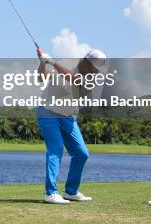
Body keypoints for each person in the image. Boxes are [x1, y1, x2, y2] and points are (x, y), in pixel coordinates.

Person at [36, 46, 107, 205]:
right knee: (56, 149)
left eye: (98, 69)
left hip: (68, 117)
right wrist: (42, 63)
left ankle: (71, 191)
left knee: (81, 153)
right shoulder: (65, 65)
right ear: (85, 61)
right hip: (48, 113)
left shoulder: (90, 79)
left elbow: (75, 79)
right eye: (94, 68)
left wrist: (51, 61)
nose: (96, 72)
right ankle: (51, 193)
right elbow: (42, 78)